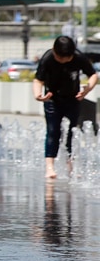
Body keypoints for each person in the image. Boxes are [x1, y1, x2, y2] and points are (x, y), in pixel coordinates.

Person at [34, 35, 98, 179]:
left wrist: (87, 89)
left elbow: (93, 75)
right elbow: (38, 80)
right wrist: (38, 95)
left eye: (67, 58)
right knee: (53, 131)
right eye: (60, 57)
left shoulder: (78, 57)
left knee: (71, 132)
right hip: (52, 99)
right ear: (54, 51)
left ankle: (71, 165)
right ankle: (49, 167)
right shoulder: (48, 58)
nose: (63, 61)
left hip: (73, 99)